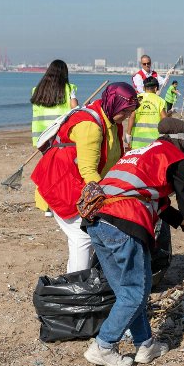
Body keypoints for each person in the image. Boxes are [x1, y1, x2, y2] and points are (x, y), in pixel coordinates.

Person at [81, 118, 184, 366]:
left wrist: (179, 220)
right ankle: (103, 346)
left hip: (97, 220)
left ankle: (145, 345)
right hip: (123, 220)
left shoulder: (142, 153)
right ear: (183, 143)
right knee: (135, 292)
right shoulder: (175, 157)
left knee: (130, 290)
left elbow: (156, 201)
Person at [31, 82, 139, 273]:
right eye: (126, 111)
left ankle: (82, 279)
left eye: (131, 111)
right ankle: (76, 285)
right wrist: (108, 202)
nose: (128, 116)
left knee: (90, 234)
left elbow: (115, 161)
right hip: (63, 186)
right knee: (83, 237)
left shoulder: (113, 122)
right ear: (114, 104)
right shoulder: (91, 126)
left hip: (80, 186)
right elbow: (88, 171)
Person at [30, 60, 79, 217]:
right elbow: (75, 108)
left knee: (46, 170)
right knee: (60, 171)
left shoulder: (37, 90)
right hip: (59, 136)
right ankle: (55, 204)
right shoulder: (68, 89)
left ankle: (46, 206)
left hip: (41, 135)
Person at [128, 76, 167, 150]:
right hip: (154, 142)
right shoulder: (160, 100)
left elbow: (132, 117)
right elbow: (164, 119)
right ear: (156, 88)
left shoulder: (137, 99)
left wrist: (128, 135)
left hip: (137, 141)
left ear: (143, 88)